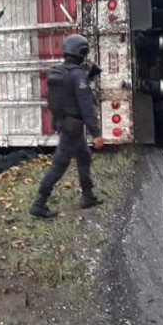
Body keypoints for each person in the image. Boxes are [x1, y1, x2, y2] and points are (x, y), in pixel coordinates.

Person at [29, 34, 105, 218]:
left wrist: (87, 77)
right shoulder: (77, 75)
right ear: (82, 52)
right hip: (72, 127)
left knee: (84, 156)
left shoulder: (60, 71)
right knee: (59, 165)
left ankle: (88, 196)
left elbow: (66, 94)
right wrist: (96, 133)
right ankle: (39, 204)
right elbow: (86, 106)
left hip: (64, 123)